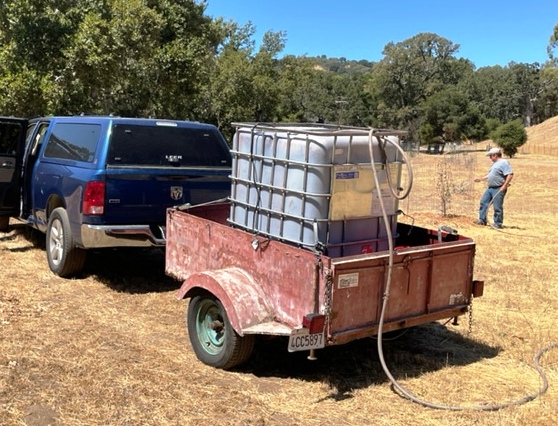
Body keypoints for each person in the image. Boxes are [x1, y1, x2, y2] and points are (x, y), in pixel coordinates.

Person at [474, 147, 513, 229]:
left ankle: (498, 224)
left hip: (498, 188)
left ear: (495, 155)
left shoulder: (504, 163)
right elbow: (491, 175)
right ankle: (482, 220)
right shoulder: (494, 164)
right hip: (490, 188)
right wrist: (481, 179)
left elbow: (510, 174)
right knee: (483, 202)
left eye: (491, 156)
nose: (490, 158)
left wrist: (504, 185)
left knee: (497, 206)